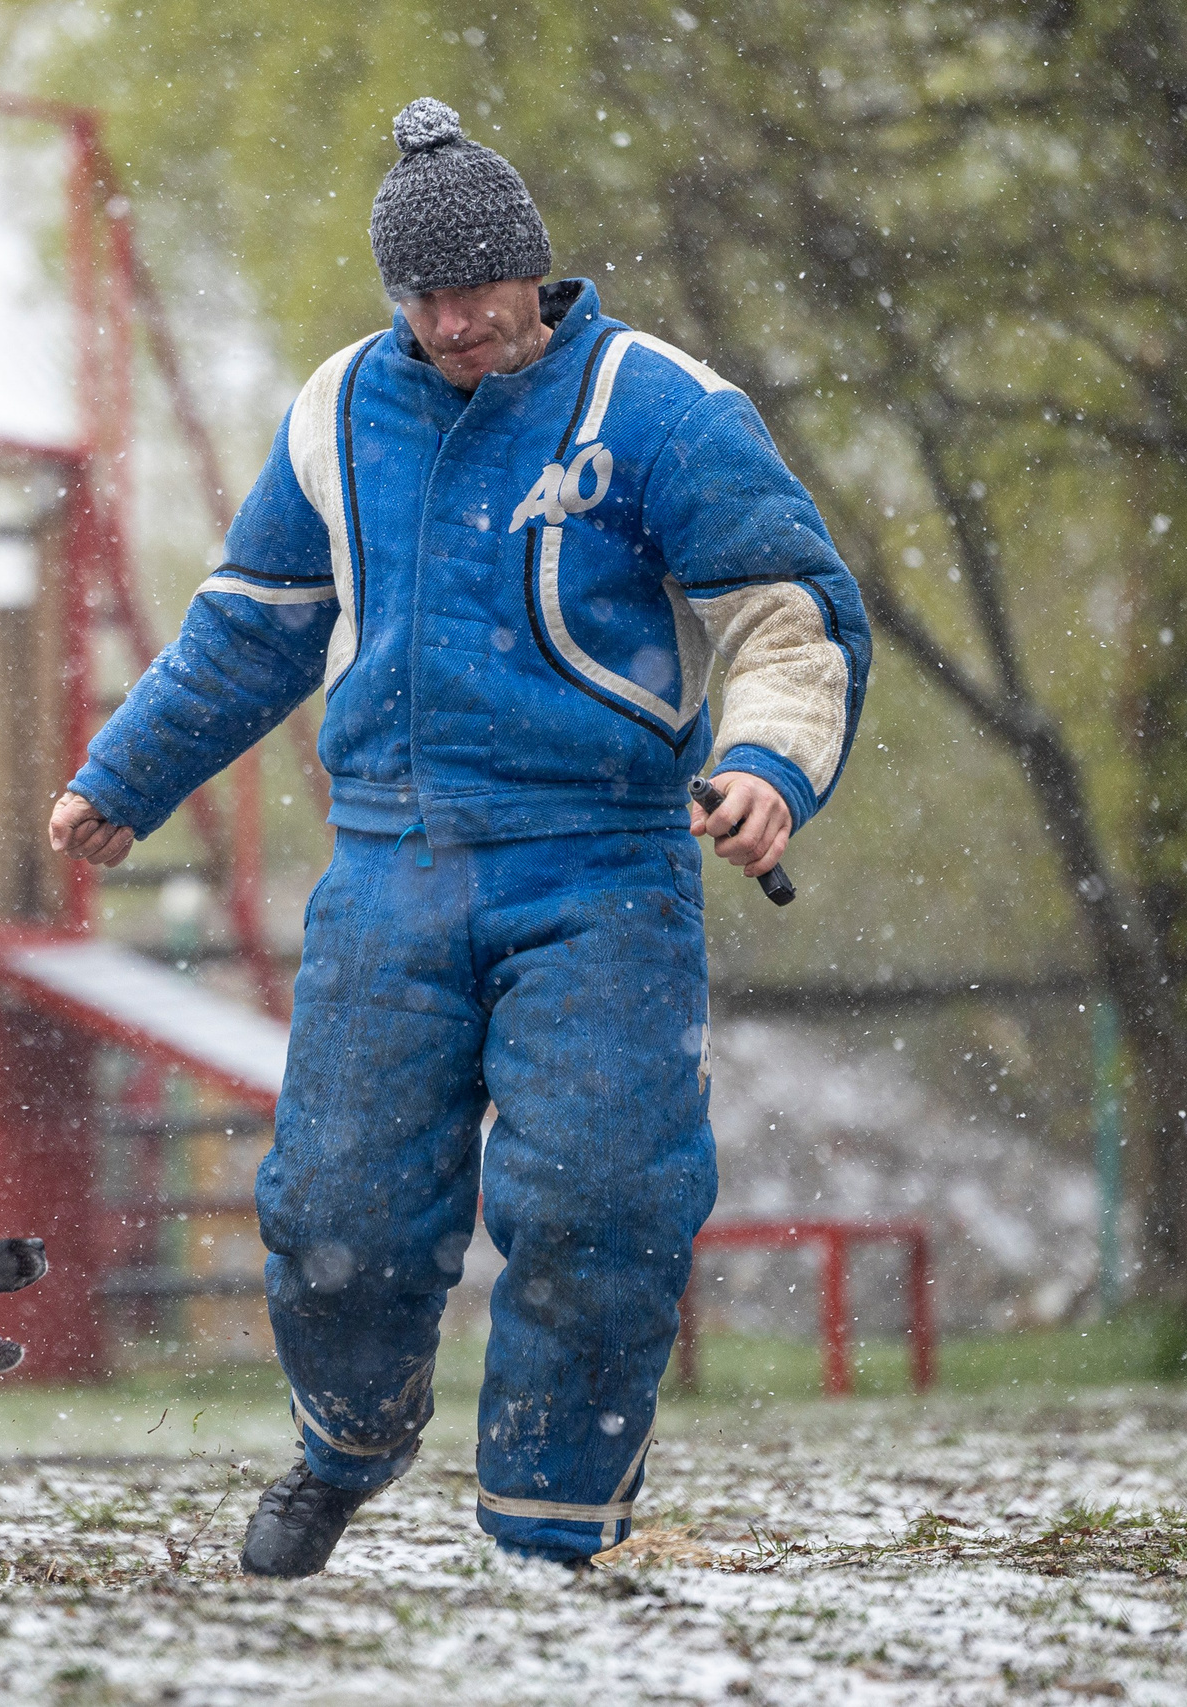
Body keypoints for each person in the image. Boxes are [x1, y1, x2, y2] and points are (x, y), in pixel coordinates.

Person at [47, 97, 870, 1576]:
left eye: (472, 294)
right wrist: (125, 775)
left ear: (531, 272)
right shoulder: (338, 409)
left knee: (600, 1201)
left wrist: (767, 766)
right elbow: (253, 632)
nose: (448, 326)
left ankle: (549, 1532)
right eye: (419, 299)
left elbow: (788, 615)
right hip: (389, 872)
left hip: (602, 866)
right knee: (333, 1209)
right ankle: (350, 1440)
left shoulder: (660, 406)